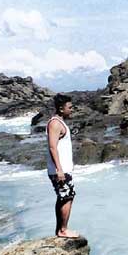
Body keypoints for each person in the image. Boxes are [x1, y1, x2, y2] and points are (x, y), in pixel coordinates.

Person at [46, 93, 79, 238]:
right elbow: (52, 147)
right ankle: (63, 230)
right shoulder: (55, 124)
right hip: (59, 170)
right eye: (69, 107)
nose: (72, 110)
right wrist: (59, 169)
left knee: (64, 197)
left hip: (63, 169)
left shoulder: (60, 122)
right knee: (67, 197)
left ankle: (60, 230)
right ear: (61, 108)